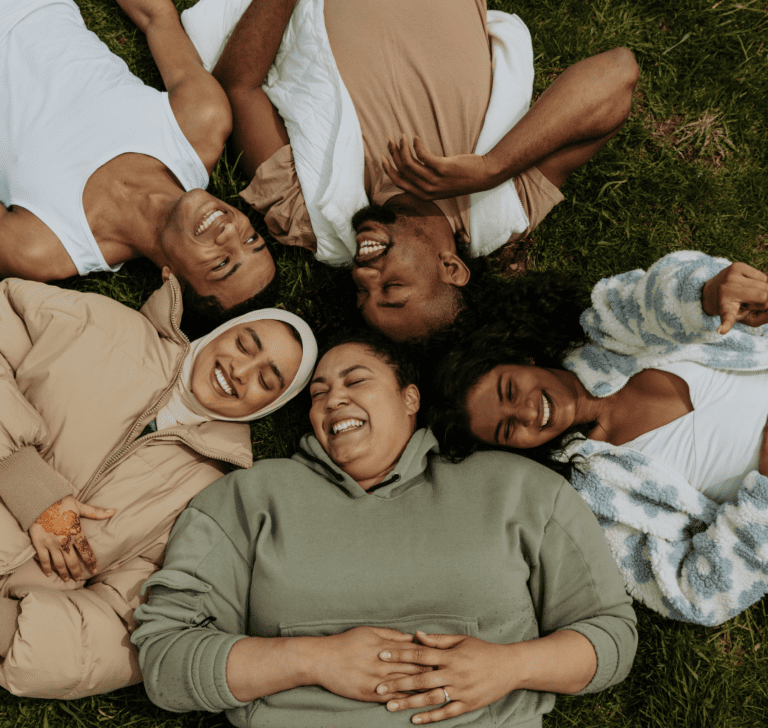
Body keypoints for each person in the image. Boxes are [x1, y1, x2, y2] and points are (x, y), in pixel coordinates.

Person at [132, 331, 636, 727]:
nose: (333, 400)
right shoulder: (246, 498)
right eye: (319, 393)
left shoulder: (521, 489)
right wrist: (313, 659)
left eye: (356, 381)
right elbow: (165, 662)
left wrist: (510, 667)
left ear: (409, 397)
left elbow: (610, 636)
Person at [180, 0, 639, 341]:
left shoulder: (307, 214)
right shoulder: (504, 204)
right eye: (392, 287)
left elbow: (239, 86)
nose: (362, 276)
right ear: (452, 268)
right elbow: (617, 73)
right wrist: (491, 168)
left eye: (362, 295)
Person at [0, 274, 317, 698]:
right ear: (224, 330)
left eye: (268, 380)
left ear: (272, 405)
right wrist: (26, 482)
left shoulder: (211, 495)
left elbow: (124, 624)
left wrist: (9, 627)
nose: (240, 371)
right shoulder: (103, 325)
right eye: (245, 344)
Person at [429, 249, 768, 626]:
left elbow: (660, 295)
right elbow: (695, 596)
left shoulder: (610, 332)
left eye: (510, 390)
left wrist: (705, 294)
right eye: (508, 430)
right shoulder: (596, 500)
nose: (525, 412)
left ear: (521, 358)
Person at [0, 0, 286, 330]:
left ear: (172, 283)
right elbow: (157, 17)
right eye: (251, 239)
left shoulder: (43, 247)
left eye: (222, 262)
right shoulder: (199, 124)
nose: (230, 231)